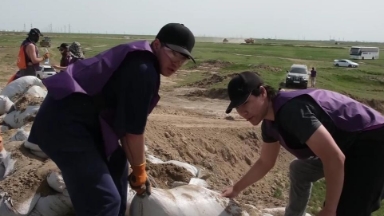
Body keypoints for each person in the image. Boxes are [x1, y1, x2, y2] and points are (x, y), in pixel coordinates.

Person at [27, 23, 195, 216]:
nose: (177, 62)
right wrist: (140, 171)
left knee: (117, 166)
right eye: (174, 53)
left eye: (183, 58)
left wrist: (137, 169)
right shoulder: (143, 70)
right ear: (157, 44)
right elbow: (132, 133)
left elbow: (125, 131)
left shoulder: (142, 62)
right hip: (65, 127)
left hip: (84, 125)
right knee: (105, 201)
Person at [221, 71, 384, 216]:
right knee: (300, 170)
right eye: (237, 107)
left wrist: (330, 209)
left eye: (245, 103)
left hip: (372, 141)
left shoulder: (292, 112)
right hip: (345, 145)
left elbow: (334, 158)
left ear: (262, 92)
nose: (243, 112)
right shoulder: (269, 125)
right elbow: (265, 162)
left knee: (346, 210)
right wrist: (236, 189)